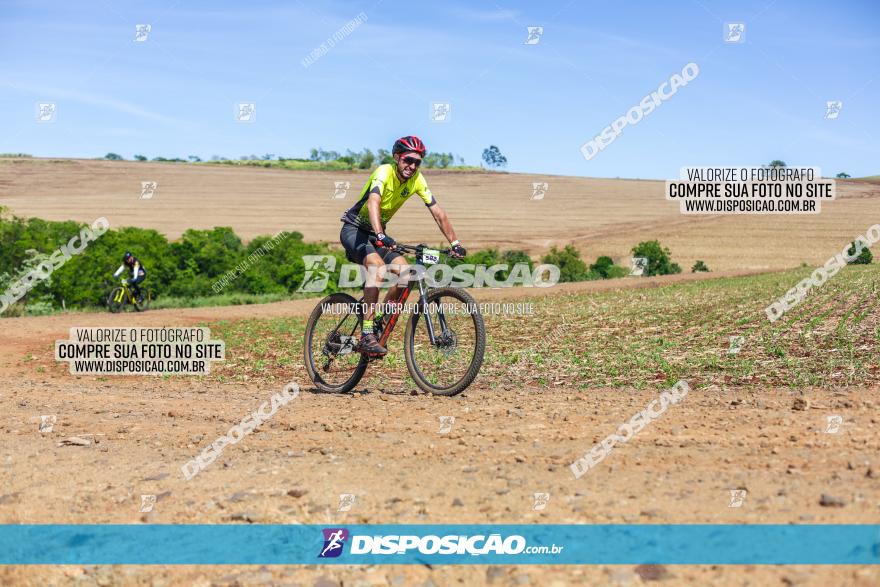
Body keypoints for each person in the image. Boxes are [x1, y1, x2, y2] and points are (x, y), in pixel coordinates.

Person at [339, 135, 467, 356]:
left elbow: (437, 212)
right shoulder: (384, 172)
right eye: (408, 160)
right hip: (355, 230)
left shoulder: (417, 179)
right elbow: (373, 202)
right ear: (397, 157)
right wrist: (379, 233)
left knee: (406, 275)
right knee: (377, 268)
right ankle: (367, 333)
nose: (412, 166)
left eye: (417, 162)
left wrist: (455, 243)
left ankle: (379, 320)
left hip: (378, 234)